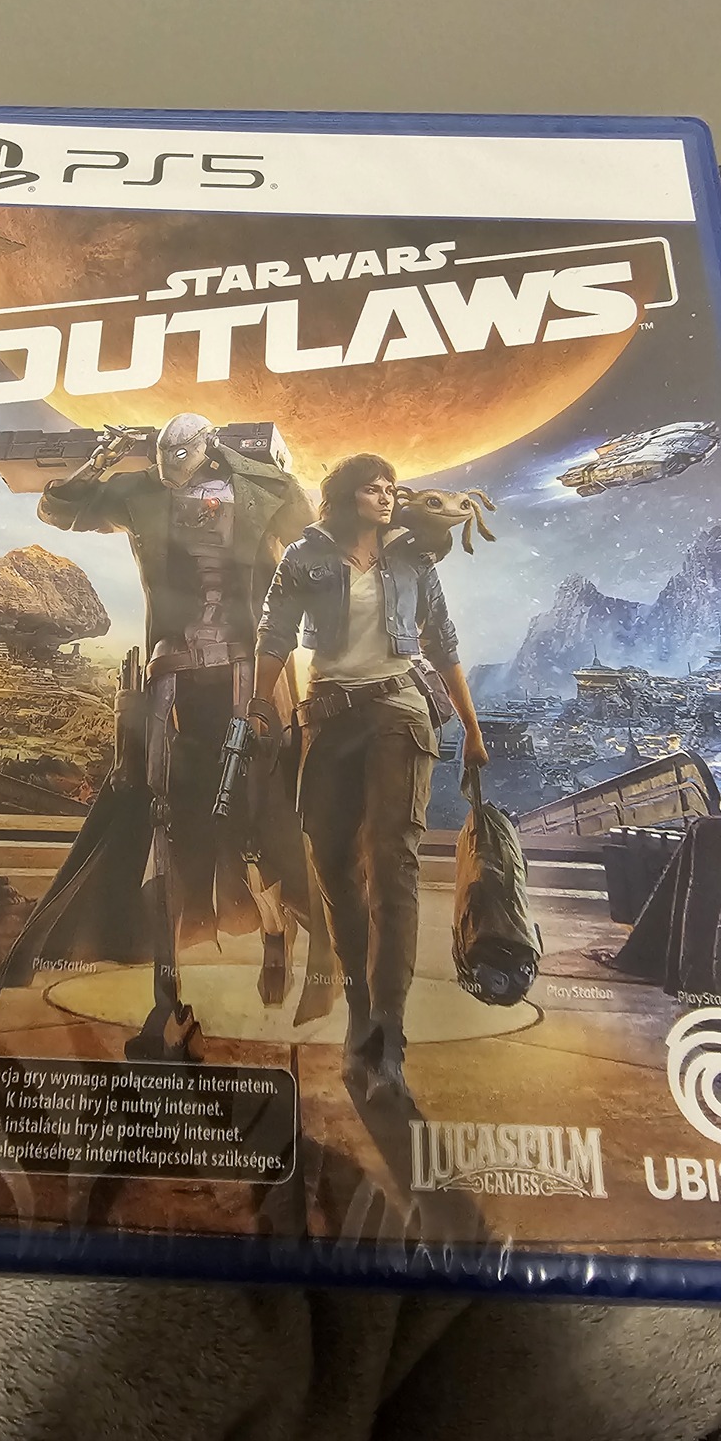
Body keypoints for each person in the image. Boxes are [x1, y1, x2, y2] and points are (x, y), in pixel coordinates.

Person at [0, 413, 320, 1057]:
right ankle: (166, 995)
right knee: (167, 817)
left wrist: (253, 463)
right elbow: (58, 509)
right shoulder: (141, 491)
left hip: (247, 668)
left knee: (258, 818)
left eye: (185, 460)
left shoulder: (259, 487)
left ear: (206, 450)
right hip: (173, 669)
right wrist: (102, 459)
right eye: (165, 463)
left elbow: (306, 523)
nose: (173, 472)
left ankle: (276, 932)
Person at [251, 453, 488, 1102]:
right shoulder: (305, 555)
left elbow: (442, 643)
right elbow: (273, 635)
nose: (385, 497)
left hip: (398, 711)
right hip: (328, 716)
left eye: (390, 489)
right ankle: (360, 1014)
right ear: (344, 497)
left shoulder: (412, 558)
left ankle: (389, 1038)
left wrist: (472, 729)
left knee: (391, 864)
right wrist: (257, 705)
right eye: (371, 489)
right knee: (333, 870)